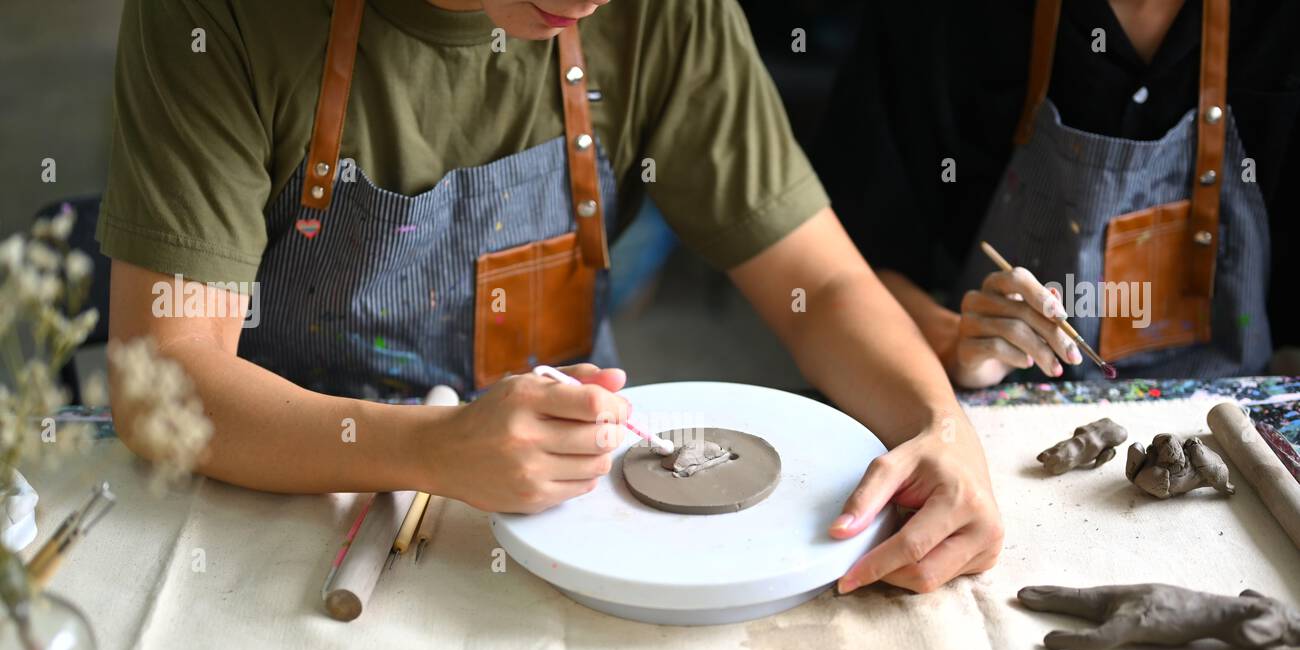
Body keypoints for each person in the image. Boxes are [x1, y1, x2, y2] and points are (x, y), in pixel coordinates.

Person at [101, 0, 1002, 594]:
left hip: (571, 526)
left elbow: (823, 282)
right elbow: (164, 379)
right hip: (288, 517)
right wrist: (433, 449)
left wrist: (939, 425)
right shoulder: (221, 15)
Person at [817, 0, 1299, 389]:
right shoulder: (941, 19)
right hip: (995, 410)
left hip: (1232, 422)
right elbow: (836, 265)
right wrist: (952, 341)